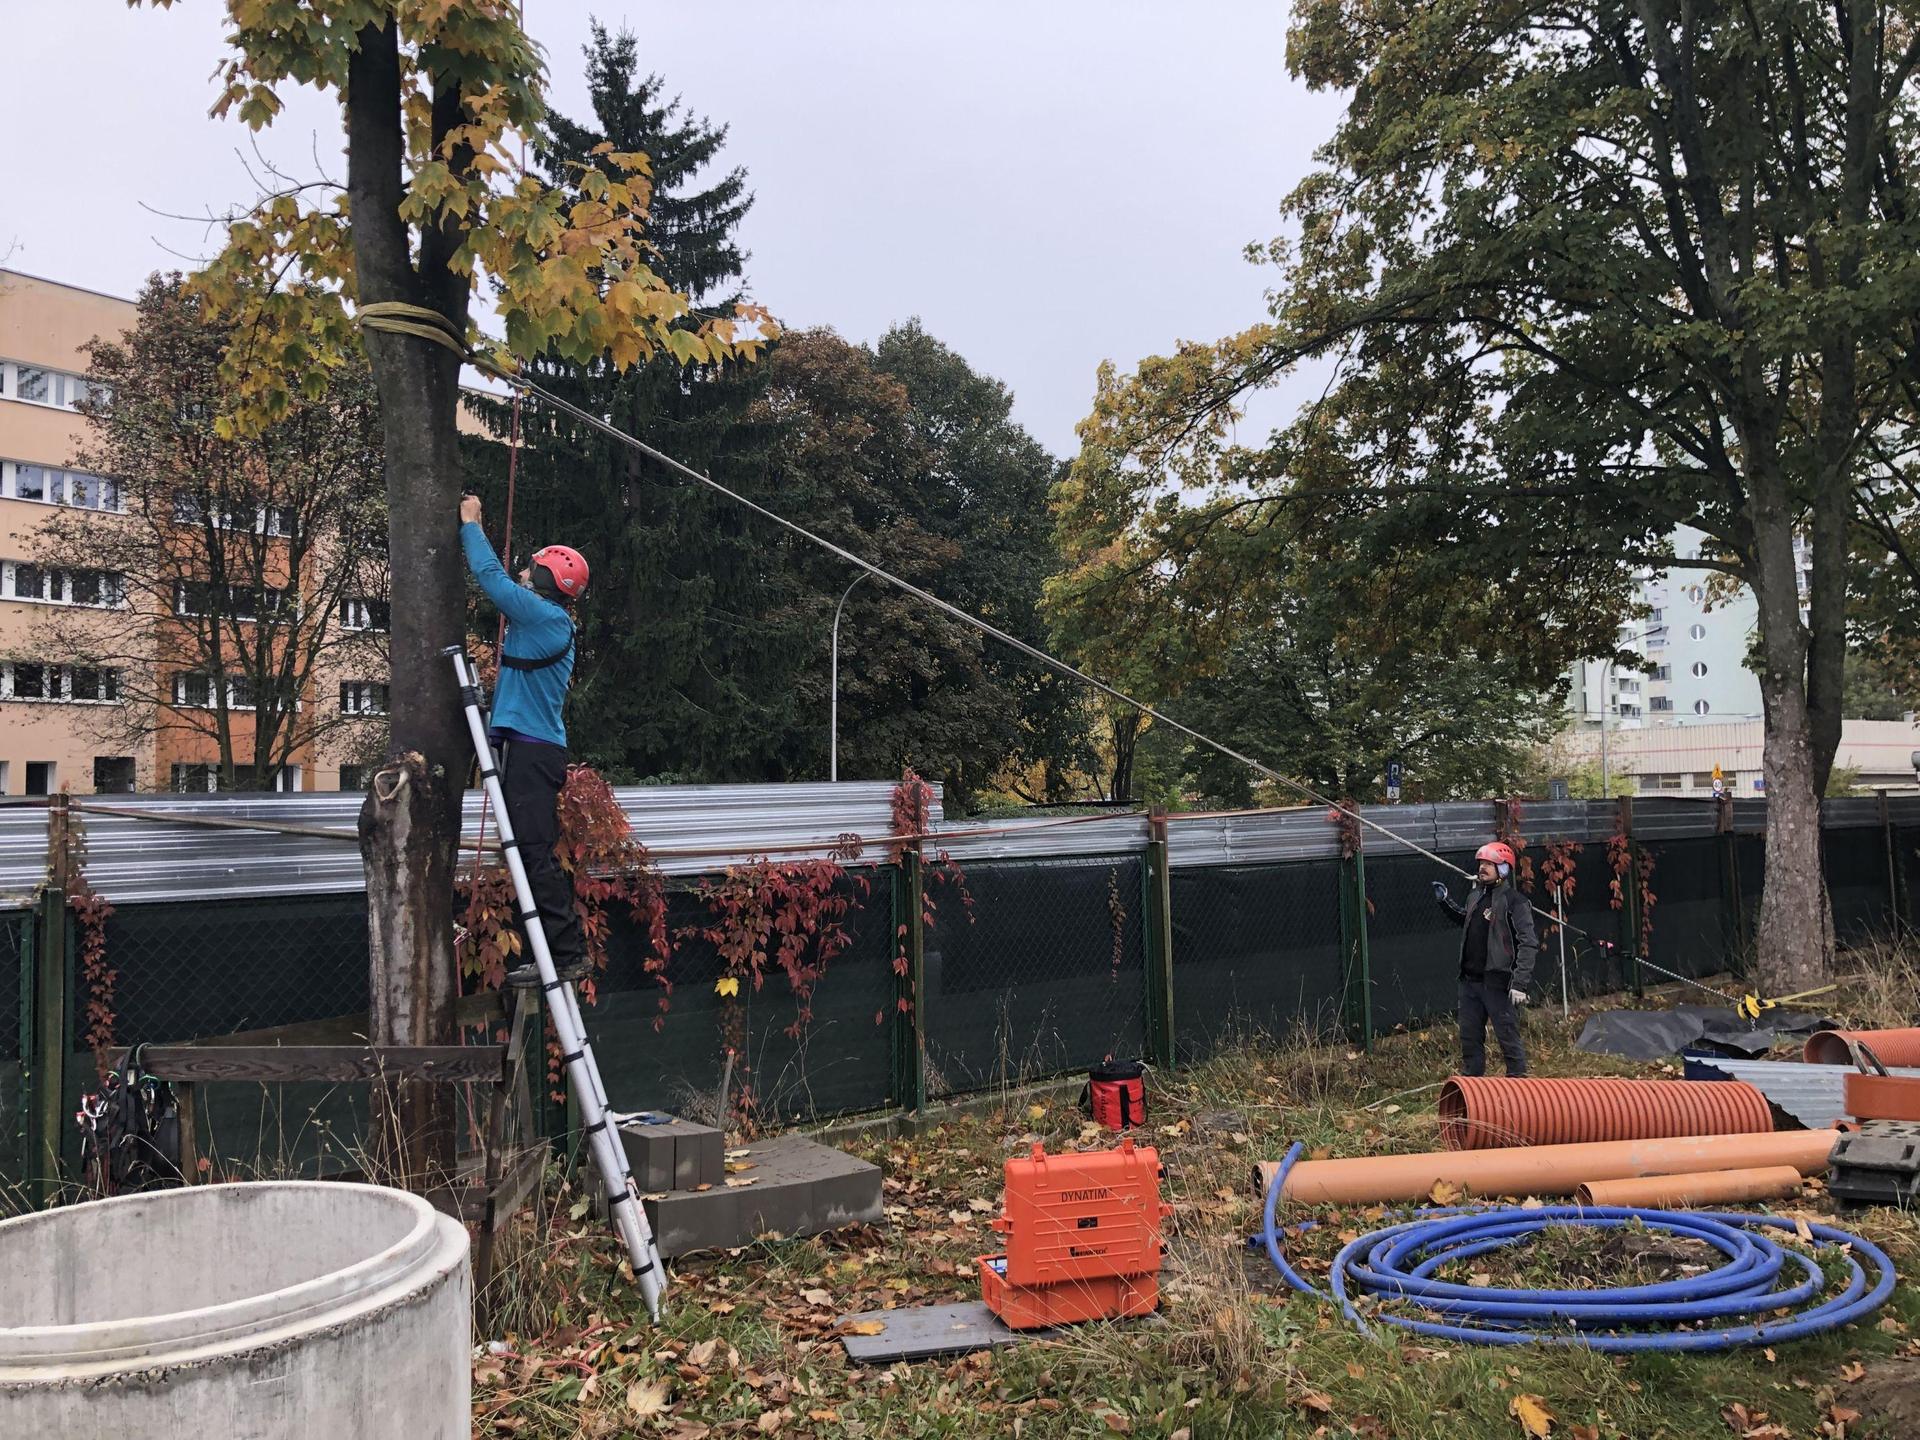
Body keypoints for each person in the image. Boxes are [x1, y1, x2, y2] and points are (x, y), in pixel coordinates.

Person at [459, 494, 592, 980]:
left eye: (531, 569)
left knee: (533, 851)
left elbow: (491, 578)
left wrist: (471, 524)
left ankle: (567, 954)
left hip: (532, 752)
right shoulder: (545, 619)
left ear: (544, 580)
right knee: (527, 850)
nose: (522, 573)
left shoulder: (545, 617)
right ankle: (557, 952)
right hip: (529, 748)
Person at [1432, 842, 1537, 1076]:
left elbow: (1528, 943)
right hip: (1469, 983)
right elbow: (1466, 920)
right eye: (1481, 863)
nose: (1482, 868)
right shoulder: (1475, 896)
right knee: (1469, 1041)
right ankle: (1474, 1091)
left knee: (1508, 1040)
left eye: (1489, 864)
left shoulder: (1515, 901)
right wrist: (1445, 902)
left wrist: (1519, 983)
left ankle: (1519, 1088)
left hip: (1498, 984)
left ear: (1504, 868)